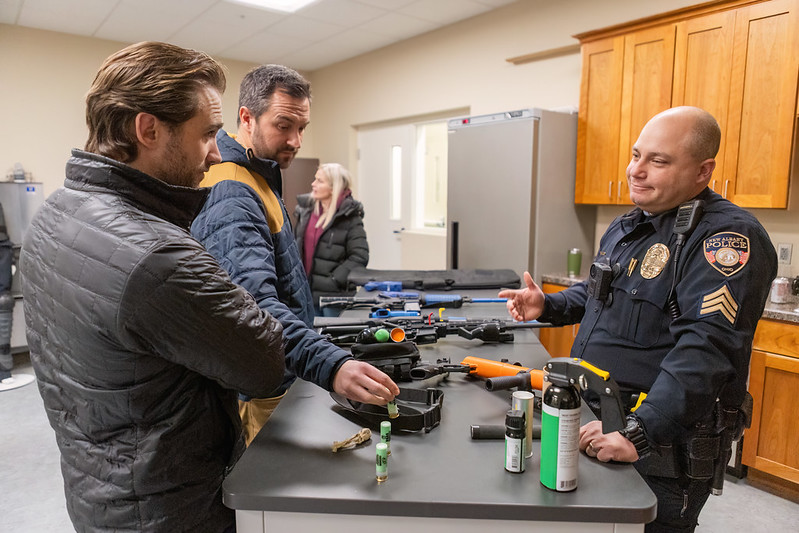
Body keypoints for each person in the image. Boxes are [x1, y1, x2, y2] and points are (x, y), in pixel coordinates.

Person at [20, 42, 287, 533]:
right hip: (170, 508)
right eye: (207, 134)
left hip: (99, 488)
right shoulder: (159, 257)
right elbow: (263, 362)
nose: (213, 154)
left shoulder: (54, 214)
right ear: (148, 129)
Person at [499, 106, 777, 532]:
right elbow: (601, 294)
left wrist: (638, 433)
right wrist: (548, 306)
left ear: (703, 171)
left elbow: (706, 350)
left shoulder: (725, 240)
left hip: (655, 445)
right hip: (594, 419)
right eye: (635, 155)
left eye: (658, 161)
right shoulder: (631, 223)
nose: (636, 170)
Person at [191, 64, 398, 445]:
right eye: (284, 125)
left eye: (302, 128)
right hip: (262, 388)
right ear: (246, 118)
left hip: (283, 368)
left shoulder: (257, 177)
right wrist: (330, 364)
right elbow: (254, 306)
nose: (296, 140)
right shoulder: (232, 191)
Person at [295, 163, 369, 316]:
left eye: (319, 181)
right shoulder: (306, 211)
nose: (313, 184)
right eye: (315, 179)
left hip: (333, 298)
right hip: (306, 293)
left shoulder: (350, 216)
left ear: (334, 187)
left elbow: (359, 256)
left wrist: (334, 280)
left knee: (331, 339)